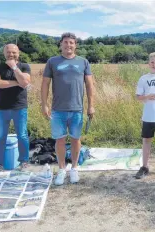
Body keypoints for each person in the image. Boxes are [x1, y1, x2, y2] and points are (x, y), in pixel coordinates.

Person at [41, 32, 95, 186]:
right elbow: (45, 84)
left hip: (77, 109)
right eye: (65, 42)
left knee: (75, 139)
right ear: (61, 44)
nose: (68, 45)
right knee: (60, 140)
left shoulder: (83, 62)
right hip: (57, 110)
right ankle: (62, 169)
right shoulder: (53, 62)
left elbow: (90, 85)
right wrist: (44, 104)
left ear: (75, 45)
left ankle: (75, 168)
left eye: (71, 43)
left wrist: (91, 105)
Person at [0, 44, 31, 169]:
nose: (11, 54)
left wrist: (14, 67)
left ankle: (24, 161)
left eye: (14, 52)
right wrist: (16, 82)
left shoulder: (24, 66)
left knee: (22, 135)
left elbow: (25, 82)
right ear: (4, 53)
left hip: (20, 107)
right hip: (2, 108)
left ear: (18, 53)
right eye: (8, 52)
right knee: (0, 136)